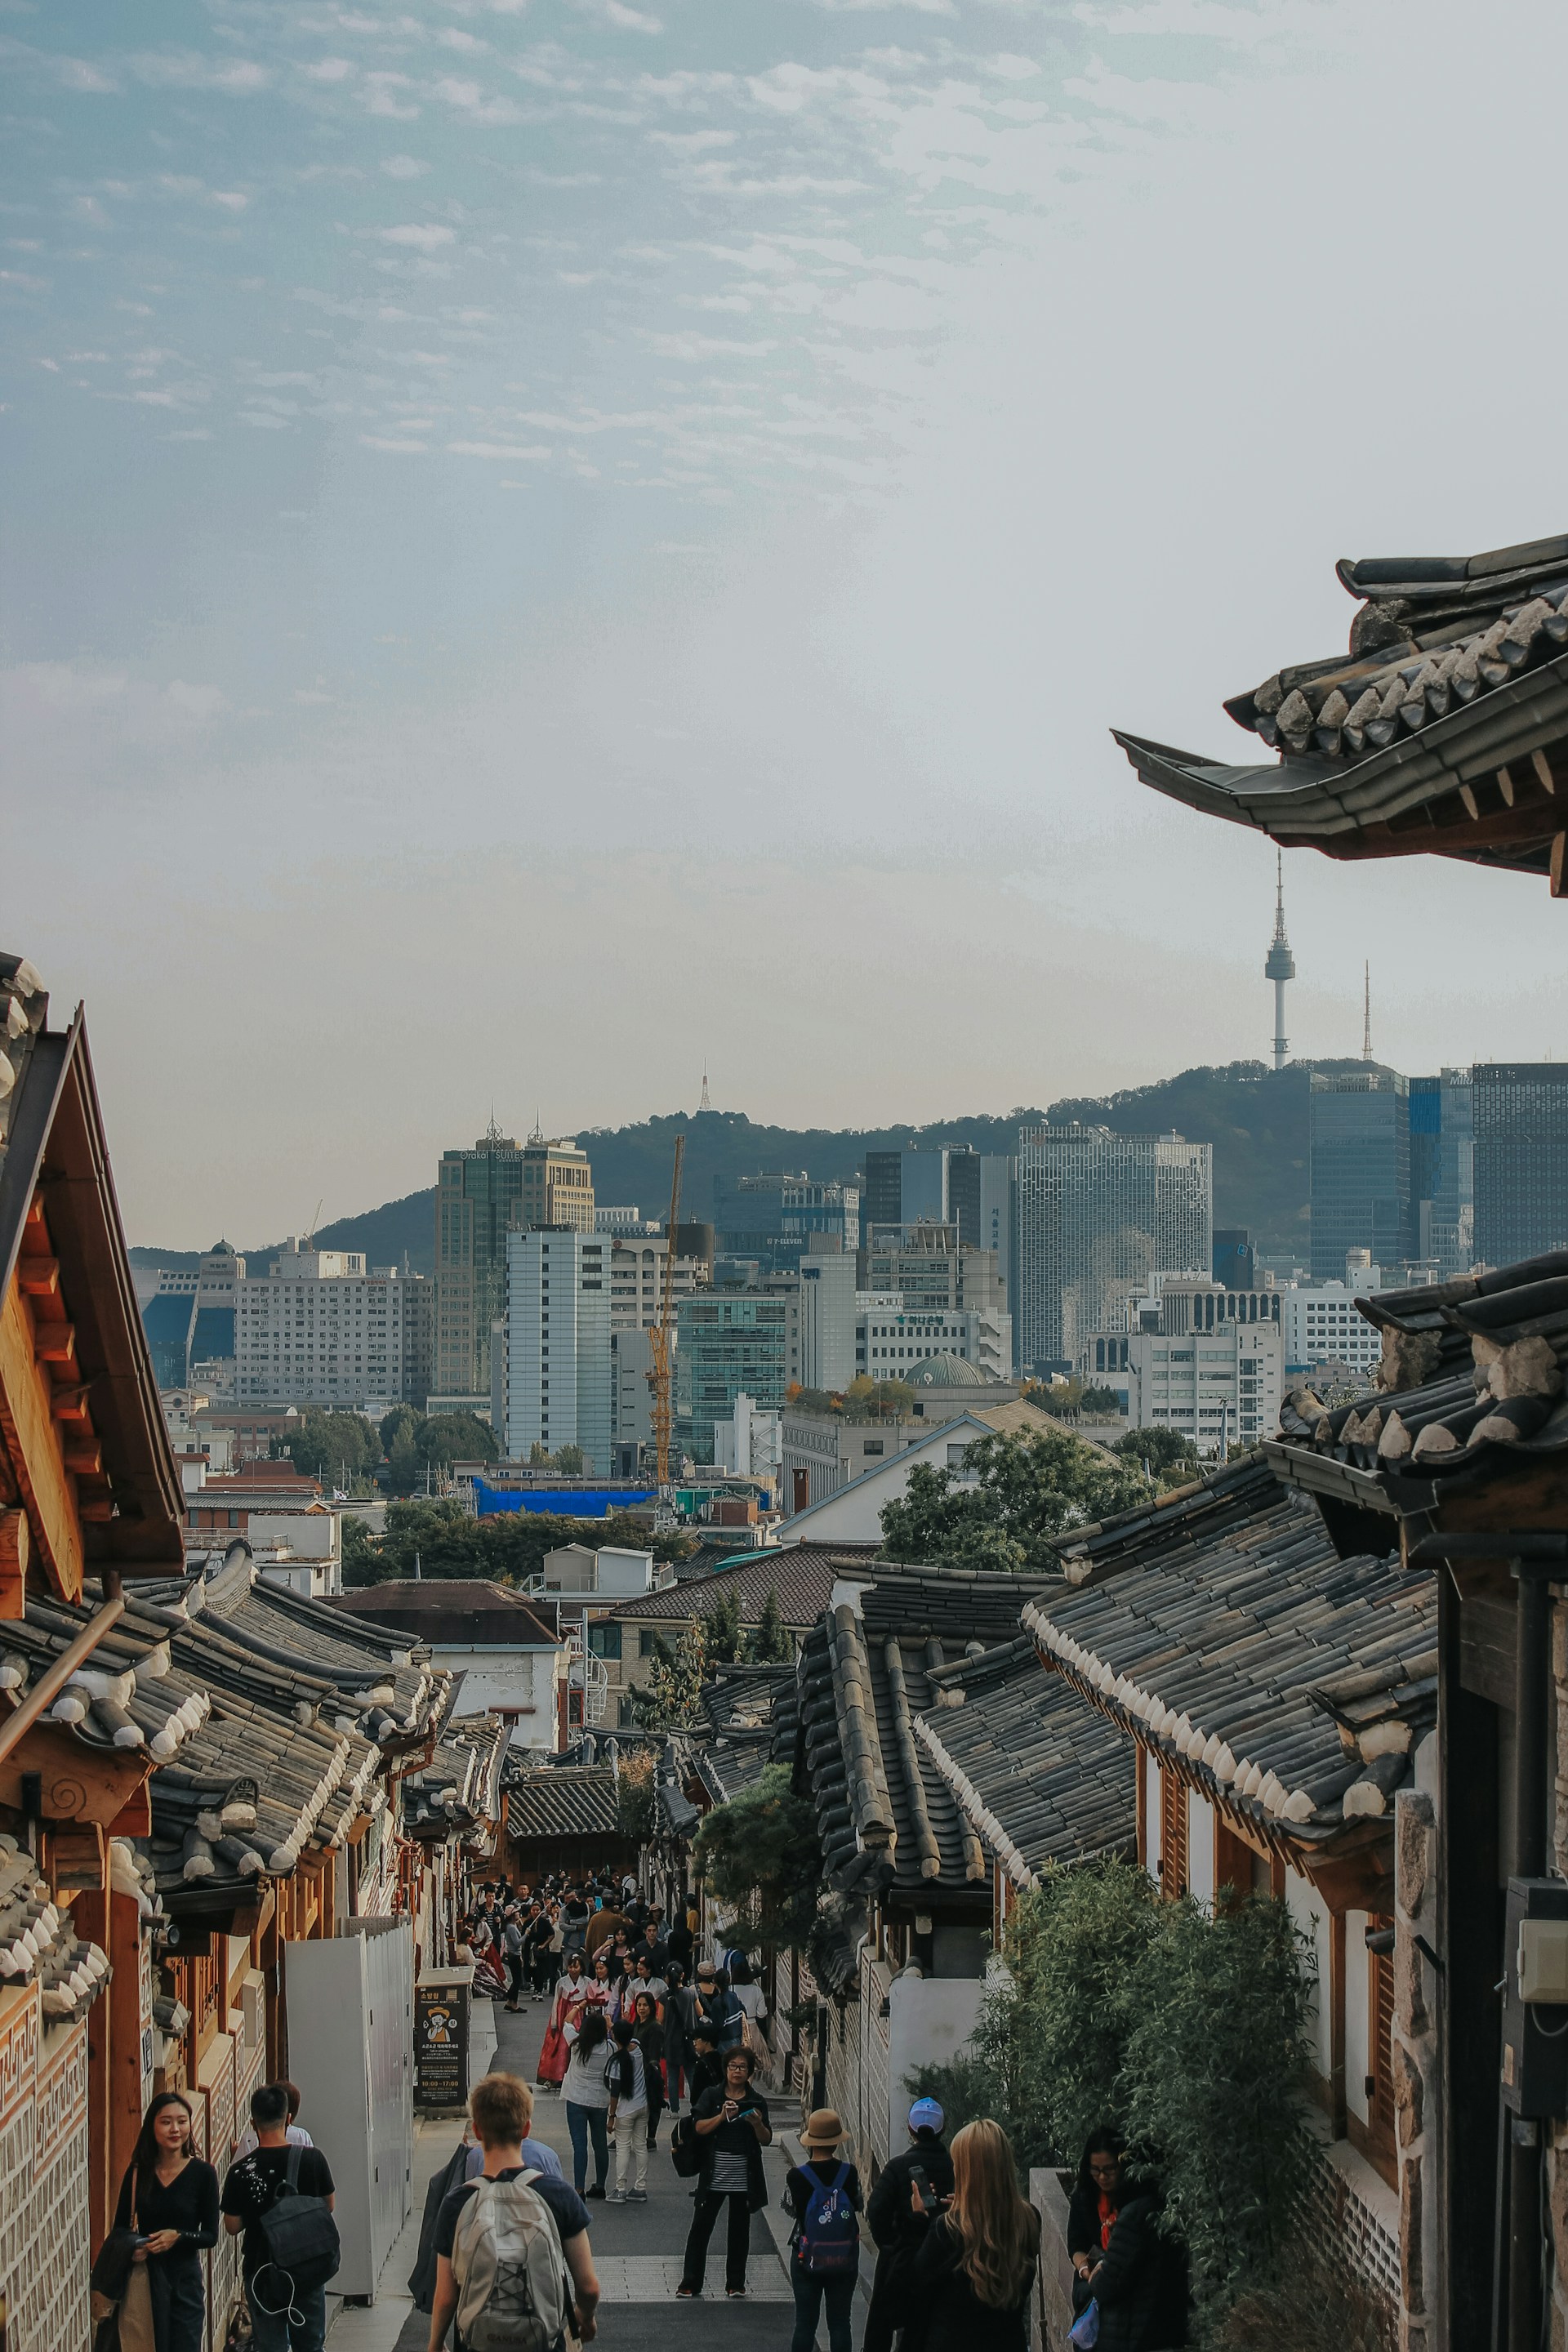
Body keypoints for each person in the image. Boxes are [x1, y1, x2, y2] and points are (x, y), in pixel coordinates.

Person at [428, 2072, 599, 2352]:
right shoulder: (559, 2195)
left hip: (478, 2343)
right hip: (543, 2341)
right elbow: (589, 2286)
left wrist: (435, 2345)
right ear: (526, 2129)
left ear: (478, 2131)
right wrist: (585, 2317)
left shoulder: (457, 2203)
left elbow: (446, 2297)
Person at [221, 2082, 337, 2352]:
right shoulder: (313, 2159)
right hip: (307, 2267)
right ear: (288, 2118)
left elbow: (232, 2225)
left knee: (270, 2345)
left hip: (262, 2270)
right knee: (310, 2345)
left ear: (253, 2123)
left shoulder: (241, 2171)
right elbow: (328, 2205)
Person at [906, 2118, 1039, 2352]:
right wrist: (974, 2208)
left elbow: (912, 2286)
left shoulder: (946, 2230)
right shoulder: (1029, 2219)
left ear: (968, 2172)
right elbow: (993, 2226)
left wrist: (918, 2220)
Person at [111, 2091, 220, 2352]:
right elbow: (119, 2229)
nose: (175, 2129)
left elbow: (211, 2235)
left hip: (186, 2284)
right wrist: (132, 2247)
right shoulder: (139, 2172)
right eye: (166, 2122)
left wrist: (179, 2236)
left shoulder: (203, 2174)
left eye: (182, 2122)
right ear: (152, 2126)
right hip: (145, 2282)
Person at [1067, 2131, 1187, 2351]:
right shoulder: (1086, 2197)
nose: (1102, 2177)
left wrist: (1100, 2274)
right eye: (1095, 2170)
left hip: (1129, 2329)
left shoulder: (1135, 2214)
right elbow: (1076, 2243)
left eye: (1110, 2169)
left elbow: (1109, 2283)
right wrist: (1087, 2271)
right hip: (1112, 2317)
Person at [676, 2045, 772, 2300]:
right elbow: (698, 2128)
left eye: (742, 2067)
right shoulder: (712, 2095)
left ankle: (736, 2283)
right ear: (726, 2069)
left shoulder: (756, 2100)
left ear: (749, 2072)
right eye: (732, 2066)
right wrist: (721, 2117)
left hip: (744, 2174)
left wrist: (757, 2123)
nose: (737, 2071)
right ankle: (690, 2282)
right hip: (714, 2173)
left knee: (739, 2231)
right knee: (701, 2228)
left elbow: (766, 2139)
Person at [865, 2097, 955, 2352]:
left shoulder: (897, 2167)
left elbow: (876, 2210)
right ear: (943, 2129)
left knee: (891, 2324)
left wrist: (892, 2245)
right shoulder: (955, 2166)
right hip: (946, 2260)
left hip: (903, 2258)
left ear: (910, 2129)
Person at [784, 2108, 862, 2352]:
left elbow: (792, 2209)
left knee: (805, 2324)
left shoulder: (796, 2176)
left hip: (807, 2255)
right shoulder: (849, 2172)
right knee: (840, 2323)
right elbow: (858, 2204)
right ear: (837, 2141)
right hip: (844, 2256)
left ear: (811, 2140)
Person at [461, 2078, 564, 2182]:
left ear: (477, 2131)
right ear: (526, 2127)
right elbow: (560, 2194)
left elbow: (469, 2190)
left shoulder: (475, 2157)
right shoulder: (547, 2156)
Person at [561, 2009, 613, 2199]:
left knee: (579, 2145)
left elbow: (566, 2022)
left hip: (576, 2099)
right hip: (600, 2101)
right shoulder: (610, 2049)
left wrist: (579, 2006)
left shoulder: (576, 2045)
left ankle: (579, 2189)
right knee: (600, 2144)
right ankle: (600, 2185)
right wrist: (610, 2025)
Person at [605, 2019, 649, 2203]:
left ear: (615, 2036)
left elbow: (615, 2093)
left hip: (625, 2109)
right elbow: (629, 2040)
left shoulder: (616, 2062)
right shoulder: (638, 2050)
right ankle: (640, 2187)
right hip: (642, 2105)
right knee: (640, 2147)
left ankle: (620, 2188)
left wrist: (611, 2117)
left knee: (623, 2148)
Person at [537, 1952, 588, 2088]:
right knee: (559, 2048)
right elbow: (556, 2002)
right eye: (570, 1967)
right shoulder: (562, 1982)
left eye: (576, 1967)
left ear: (581, 1968)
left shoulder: (588, 1982)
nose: (573, 1970)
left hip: (580, 2015)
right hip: (563, 2016)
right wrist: (554, 2022)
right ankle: (555, 2077)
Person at [234, 2080, 314, 2163]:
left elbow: (238, 2164)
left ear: (253, 2123)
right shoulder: (302, 2136)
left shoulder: (248, 2139)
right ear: (288, 2118)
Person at [631, 1990, 666, 2149]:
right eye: (639, 2005)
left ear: (652, 2007)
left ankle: (651, 2136)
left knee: (653, 2103)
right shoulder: (636, 2024)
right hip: (634, 2069)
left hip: (650, 2070)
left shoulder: (655, 2027)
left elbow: (654, 2053)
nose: (642, 2008)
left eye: (645, 2005)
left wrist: (651, 2069)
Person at [501, 1909, 526, 2011]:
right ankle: (514, 2004)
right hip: (514, 1955)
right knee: (517, 1981)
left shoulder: (512, 1926)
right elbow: (517, 1943)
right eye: (516, 1912)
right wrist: (526, 1934)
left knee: (516, 1980)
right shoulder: (511, 1927)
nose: (519, 1914)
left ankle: (509, 2002)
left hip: (515, 1955)